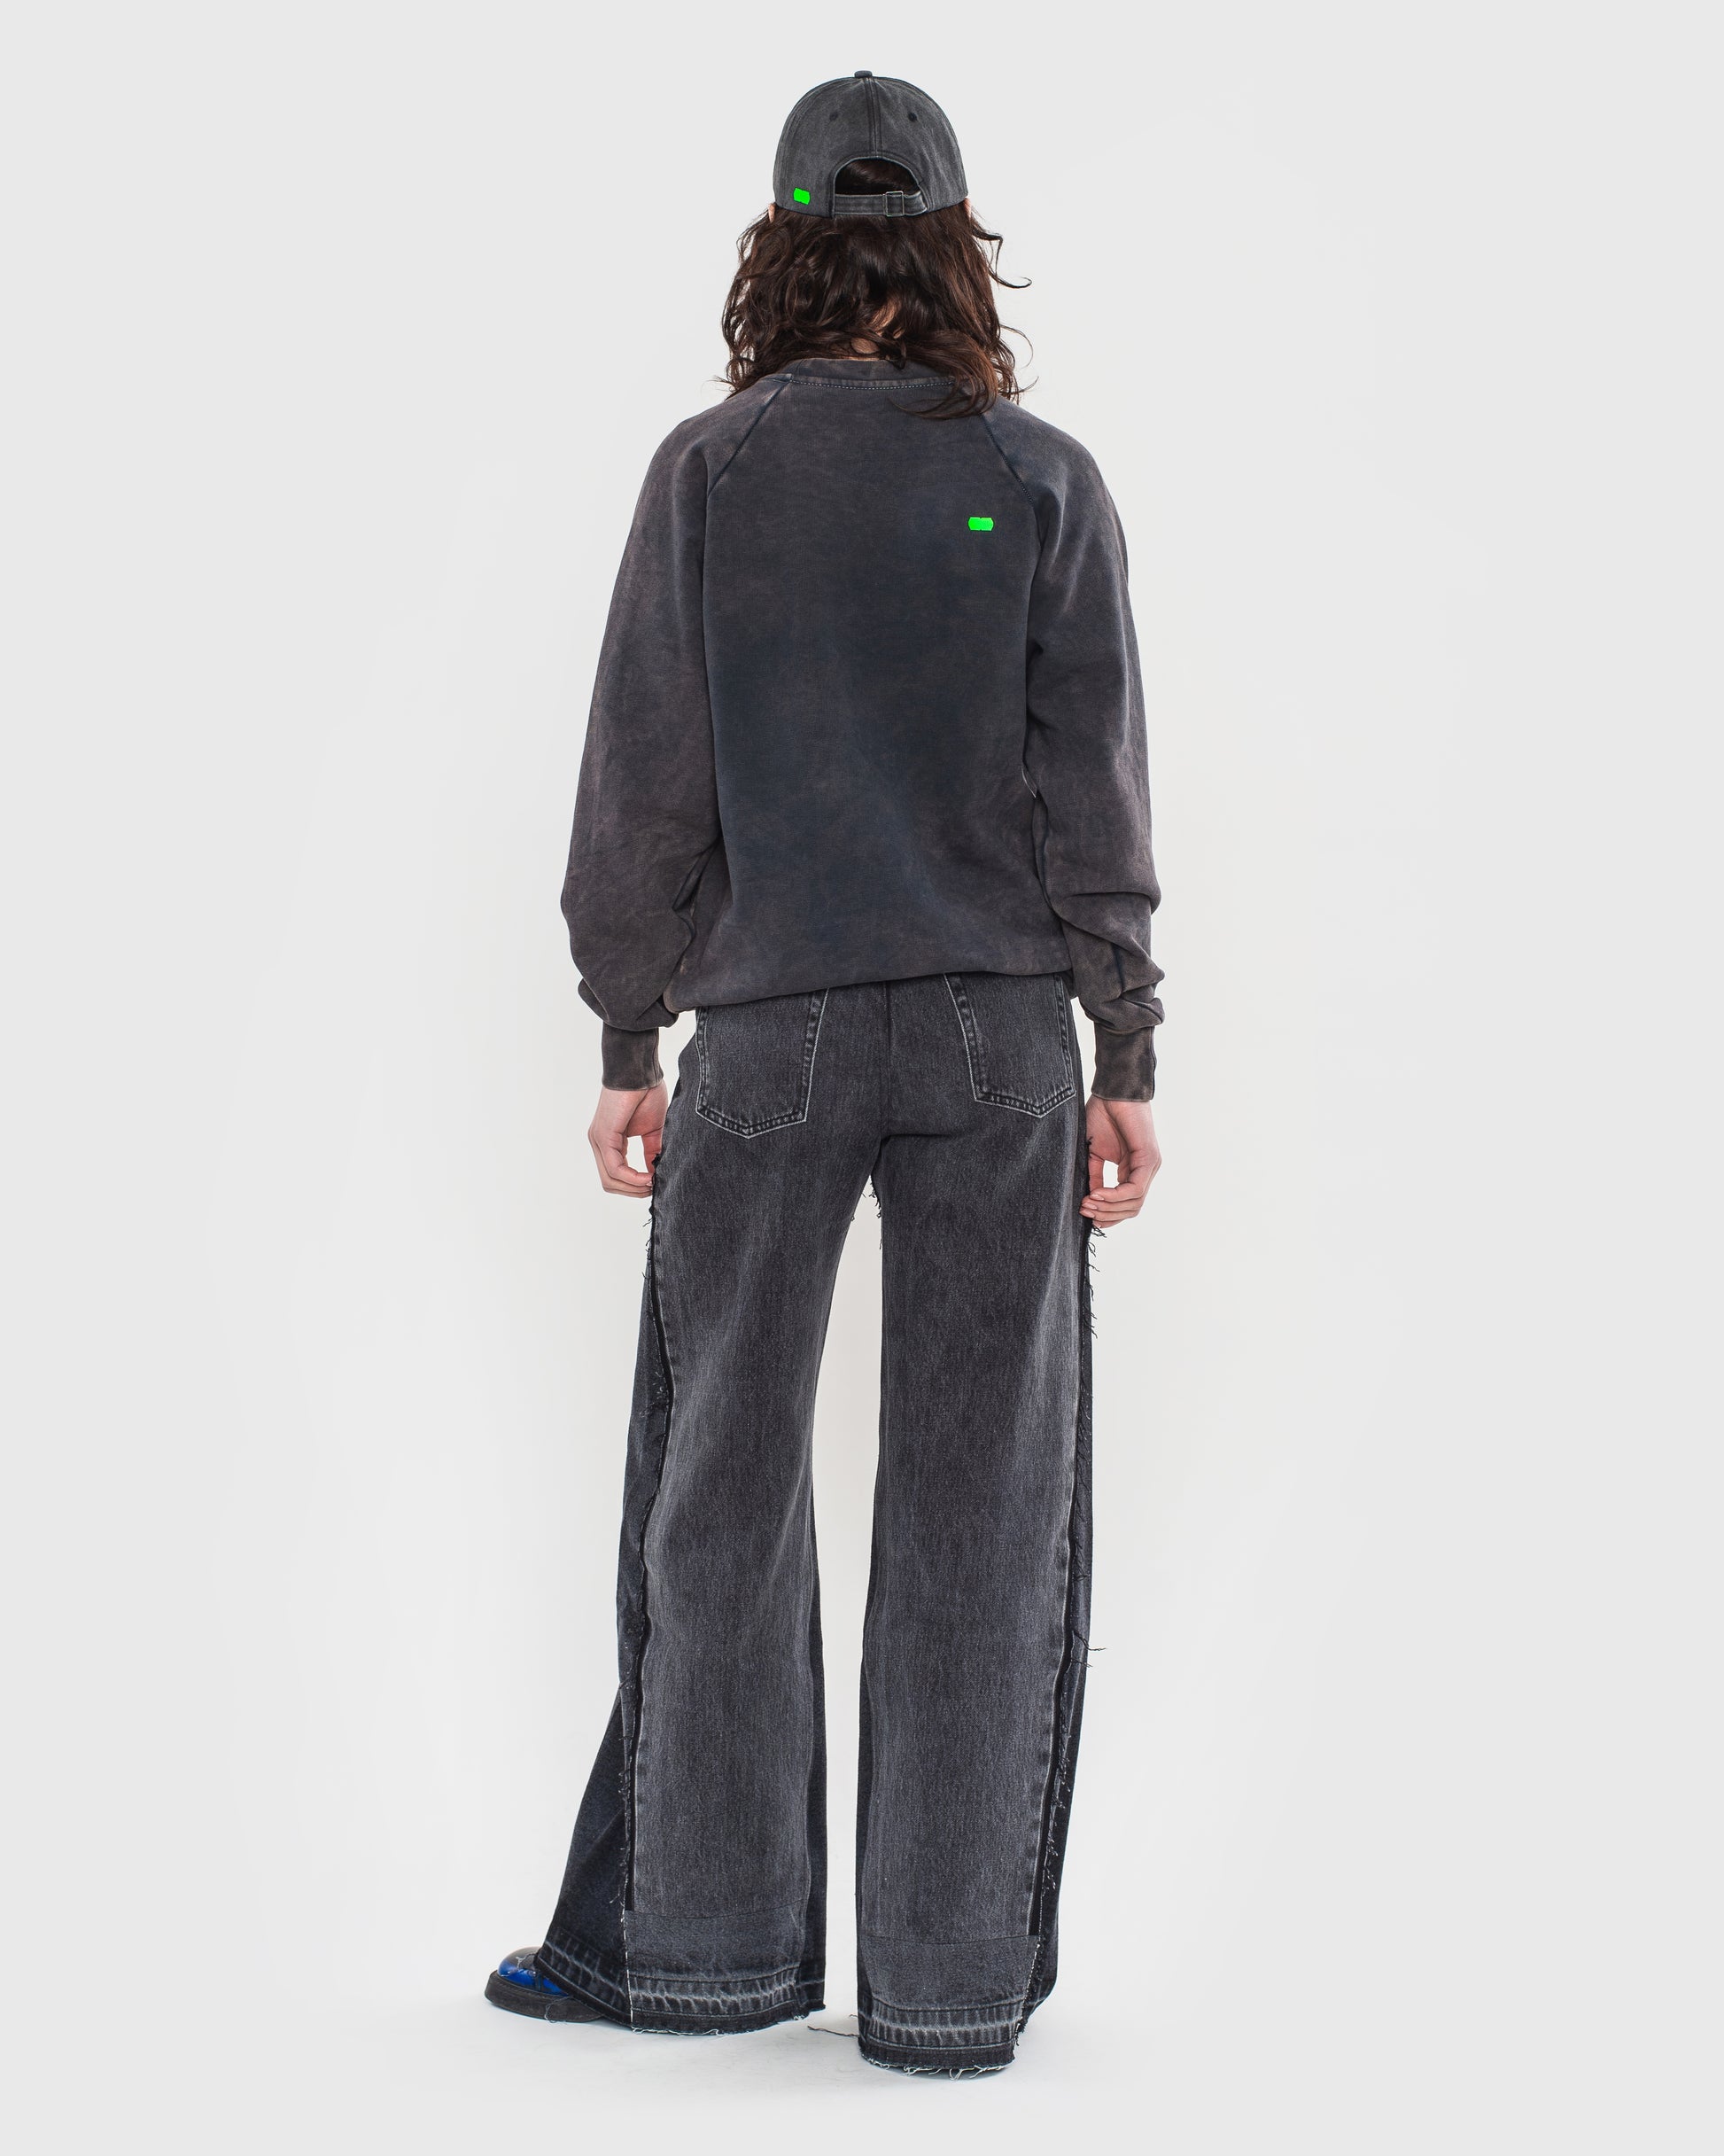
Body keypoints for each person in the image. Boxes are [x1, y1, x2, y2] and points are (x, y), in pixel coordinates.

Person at [485, 72, 1163, 2077]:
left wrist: (630, 1029)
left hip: (765, 1031)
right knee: (985, 1509)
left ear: (781, 243)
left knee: (715, 1491)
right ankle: (947, 1995)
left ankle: (697, 1954)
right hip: (999, 1036)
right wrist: (1123, 1041)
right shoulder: (1036, 477)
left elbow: (643, 778)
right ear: (951, 243)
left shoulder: (711, 472)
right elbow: (1093, 789)